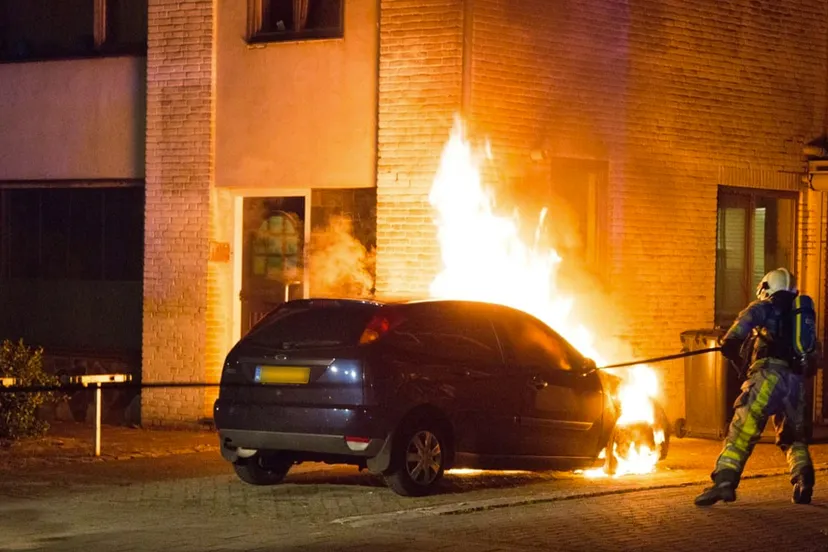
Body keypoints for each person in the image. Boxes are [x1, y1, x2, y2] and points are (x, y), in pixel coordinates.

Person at [694, 267, 815, 506]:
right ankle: (804, 480)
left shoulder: (764, 307)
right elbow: (812, 355)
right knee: (794, 437)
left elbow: (740, 328)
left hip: (768, 378)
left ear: (767, 287)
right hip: (796, 385)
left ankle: (724, 483)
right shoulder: (801, 316)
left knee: (742, 430)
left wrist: (730, 343)